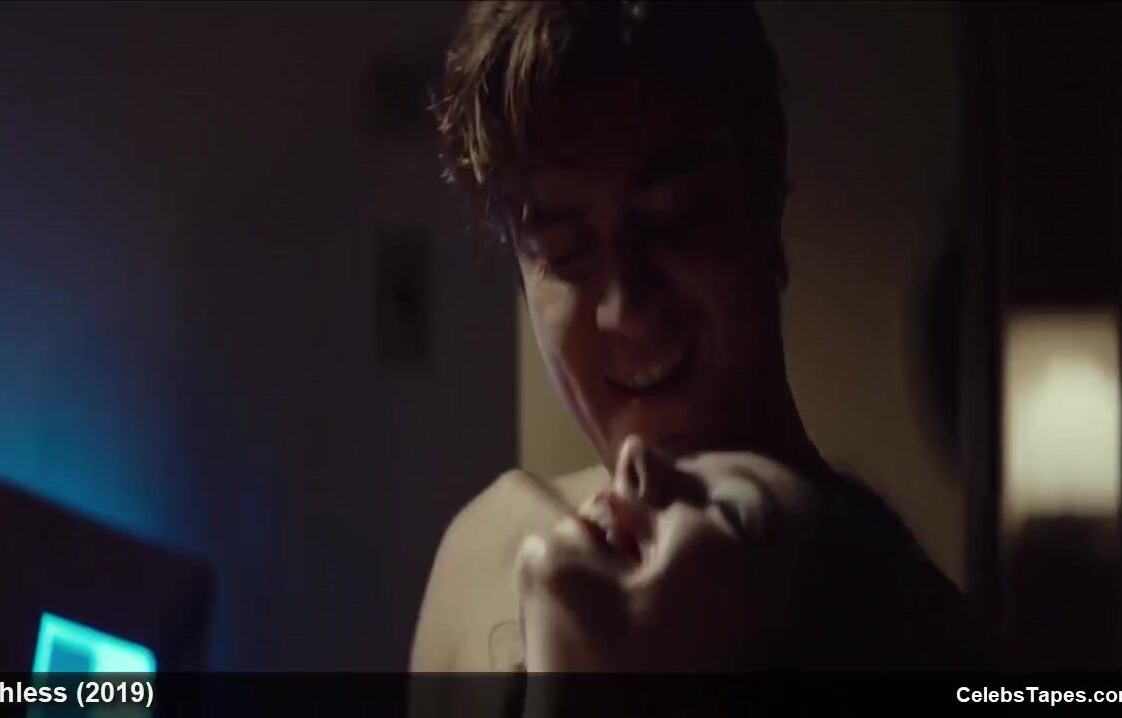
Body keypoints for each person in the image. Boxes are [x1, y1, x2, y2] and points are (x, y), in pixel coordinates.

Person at [410, 0, 989, 677]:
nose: (626, 308)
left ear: (763, 189)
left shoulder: (914, 639)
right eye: (565, 252)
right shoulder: (484, 560)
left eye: (672, 216)